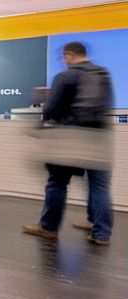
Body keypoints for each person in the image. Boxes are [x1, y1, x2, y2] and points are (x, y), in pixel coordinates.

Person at [23, 41, 115, 245]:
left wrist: (41, 119)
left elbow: (52, 109)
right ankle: (100, 232)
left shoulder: (65, 76)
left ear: (68, 55)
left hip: (69, 137)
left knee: (57, 183)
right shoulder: (102, 74)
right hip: (99, 137)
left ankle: (48, 227)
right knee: (99, 186)